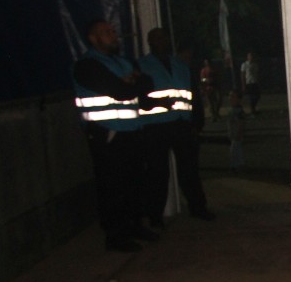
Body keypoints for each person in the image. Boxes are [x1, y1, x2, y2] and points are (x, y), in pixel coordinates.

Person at [72, 19, 160, 252]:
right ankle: (115, 235)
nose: (113, 35)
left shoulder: (122, 62)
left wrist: (131, 83)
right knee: (112, 186)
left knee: (134, 182)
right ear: (93, 39)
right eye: (106, 32)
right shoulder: (87, 66)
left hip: (131, 132)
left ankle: (134, 226)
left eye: (113, 31)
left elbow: (147, 82)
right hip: (107, 134)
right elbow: (120, 91)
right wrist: (129, 84)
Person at [138, 28, 214, 223]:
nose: (161, 41)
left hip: (182, 125)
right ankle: (155, 215)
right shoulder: (142, 66)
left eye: (164, 37)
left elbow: (193, 96)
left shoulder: (180, 65)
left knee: (189, 170)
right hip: (155, 127)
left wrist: (197, 122)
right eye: (157, 38)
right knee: (157, 172)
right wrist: (157, 103)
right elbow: (139, 98)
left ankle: (198, 208)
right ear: (150, 42)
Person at [227, 90, 246, 170]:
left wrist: (238, 133)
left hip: (236, 134)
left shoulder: (238, 111)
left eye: (233, 96)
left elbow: (241, 123)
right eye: (230, 96)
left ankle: (235, 165)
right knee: (237, 149)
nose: (230, 98)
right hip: (234, 134)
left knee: (234, 150)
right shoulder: (233, 109)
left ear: (238, 99)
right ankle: (240, 163)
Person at [240, 51, 261, 116]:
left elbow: (257, 74)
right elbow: (243, 75)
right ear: (247, 57)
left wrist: (258, 82)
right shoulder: (244, 64)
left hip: (255, 82)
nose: (251, 57)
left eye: (252, 56)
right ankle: (252, 110)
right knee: (252, 96)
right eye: (250, 56)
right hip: (249, 82)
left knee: (257, 96)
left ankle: (253, 108)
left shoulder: (255, 65)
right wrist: (243, 85)